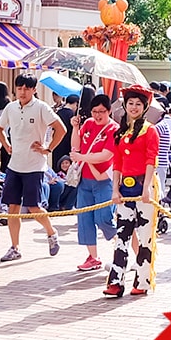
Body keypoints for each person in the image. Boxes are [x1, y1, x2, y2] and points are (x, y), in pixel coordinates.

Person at [0, 74, 66, 262]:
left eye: (27, 88)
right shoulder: (10, 108)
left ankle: (51, 233)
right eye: (19, 88)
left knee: (34, 207)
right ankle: (15, 247)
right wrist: (6, 145)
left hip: (34, 166)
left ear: (34, 90)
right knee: (12, 208)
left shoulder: (42, 108)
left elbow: (61, 129)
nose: (23, 92)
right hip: (14, 165)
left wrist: (48, 148)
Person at [103, 85, 159, 297]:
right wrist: (114, 188)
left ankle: (143, 280)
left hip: (144, 186)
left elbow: (150, 159)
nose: (133, 107)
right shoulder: (120, 132)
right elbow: (117, 161)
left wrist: (146, 188)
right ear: (125, 106)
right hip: (124, 187)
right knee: (122, 235)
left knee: (145, 236)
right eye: (130, 103)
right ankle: (116, 281)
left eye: (138, 104)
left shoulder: (150, 130)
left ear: (144, 107)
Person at [71, 94, 118, 271]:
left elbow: (106, 155)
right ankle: (93, 256)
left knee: (104, 217)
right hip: (85, 178)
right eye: (95, 111)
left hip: (104, 179)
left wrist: (83, 157)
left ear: (109, 111)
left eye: (102, 111)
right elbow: (75, 147)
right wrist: (75, 128)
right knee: (84, 218)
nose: (98, 115)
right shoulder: (88, 124)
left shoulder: (114, 129)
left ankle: (121, 245)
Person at [52, 94, 78, 167]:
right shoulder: (72, 115)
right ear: (75, 103)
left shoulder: (58, 113)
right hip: (67, 145)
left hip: (57, 144)